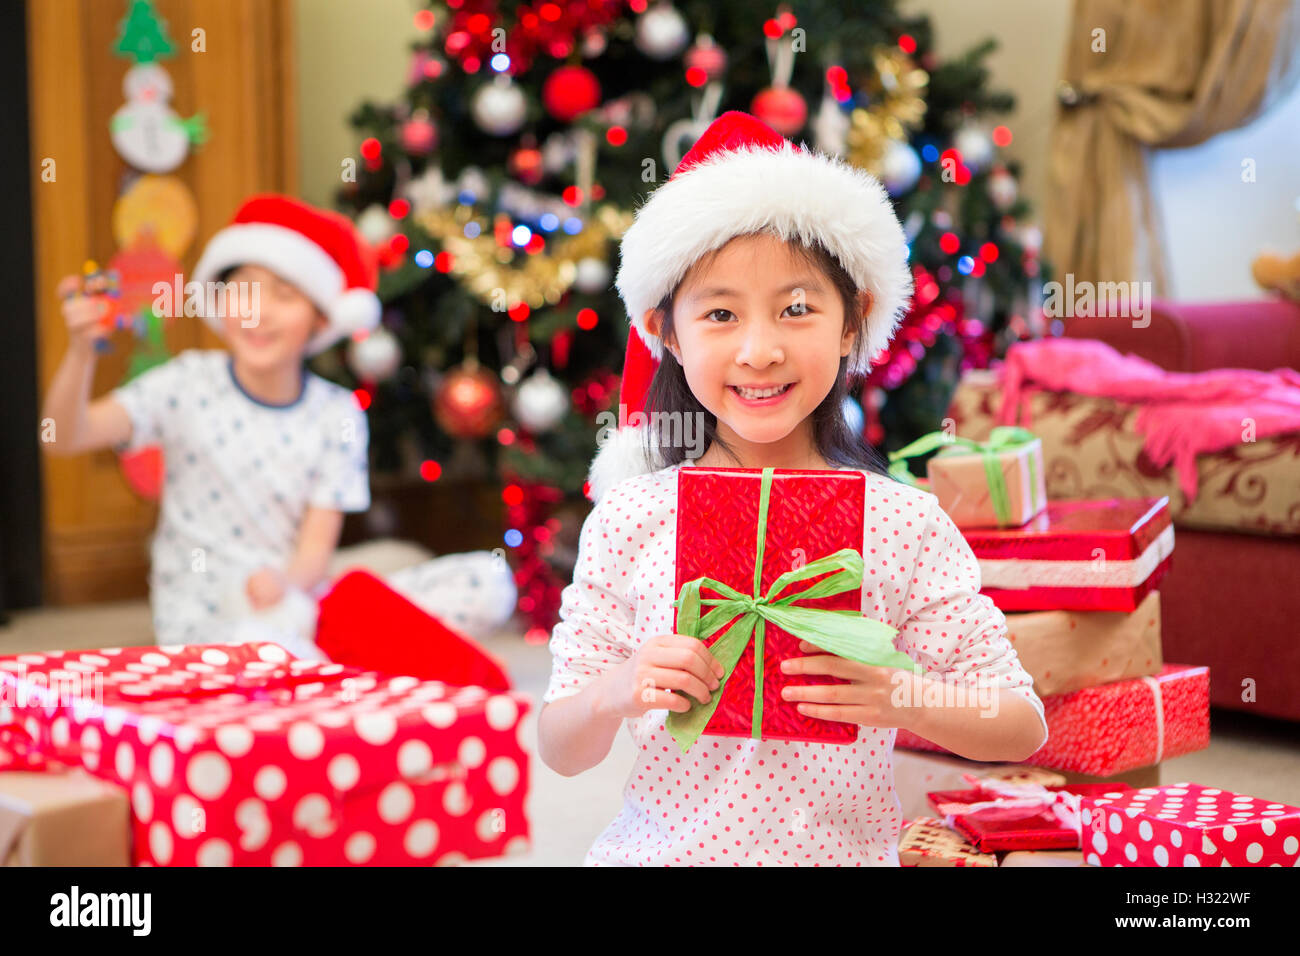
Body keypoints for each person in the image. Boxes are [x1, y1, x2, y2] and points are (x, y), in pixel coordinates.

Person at [536, 111, 1049, 866]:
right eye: (719, 313)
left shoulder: (902, 522)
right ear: (668, 334)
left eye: (797, 308)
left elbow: (1022, 724)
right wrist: (619, 688)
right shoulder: (633, 517)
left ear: (853, 322)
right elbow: (560, 748)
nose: (760, 349)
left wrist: (904, 696)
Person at [41, 194, 381, 650]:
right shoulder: (185, 383)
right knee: (257, 654)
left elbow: (316, 549)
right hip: (199, 611)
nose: (257, 312)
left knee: (478, 586)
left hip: (288, 595)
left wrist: (285, 582)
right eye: (244, 292)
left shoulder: (337, 413)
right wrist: (81, 353)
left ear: (321, 319)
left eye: (283, 295)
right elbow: (63, 437)